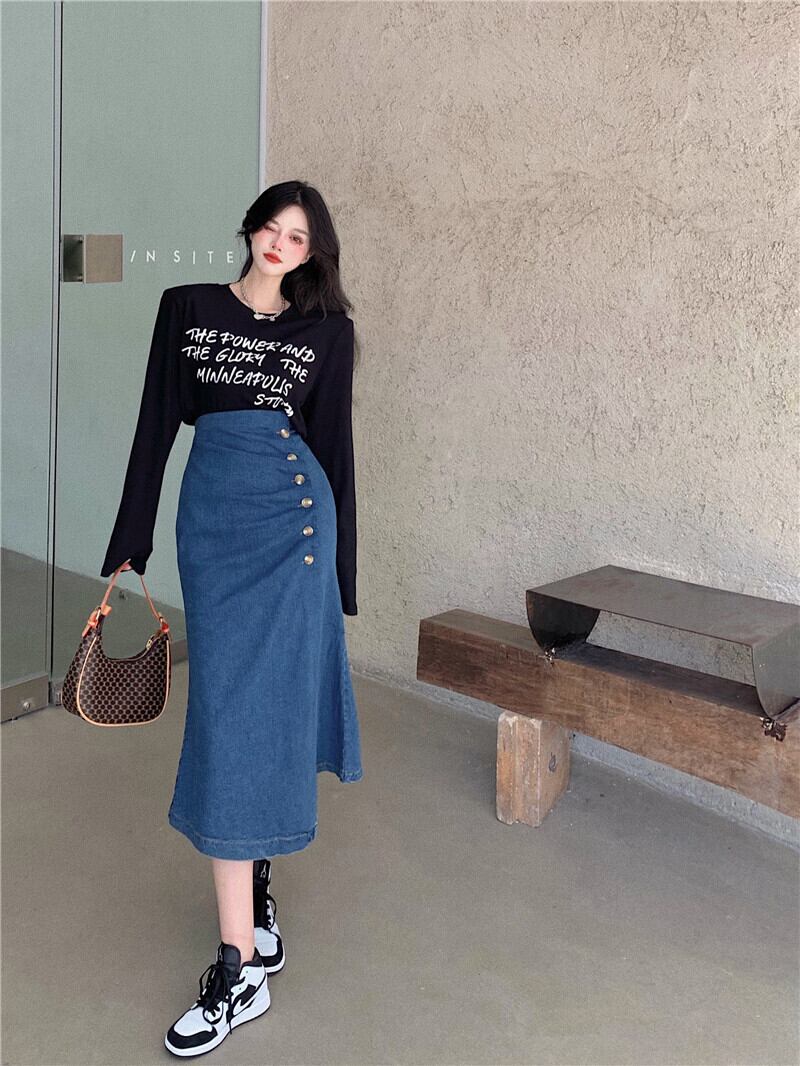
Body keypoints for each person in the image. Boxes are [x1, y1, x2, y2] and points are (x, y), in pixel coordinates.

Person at [100, 180, 364, 1057]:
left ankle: (238, 965)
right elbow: (155, 425)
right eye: (273, 227)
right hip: (214, 530)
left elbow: (333, 449)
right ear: (250, 229)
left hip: (294, 533)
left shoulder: (327, 333)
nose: (282, 243)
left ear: (313, 252)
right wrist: (131, 537)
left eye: (300, 236)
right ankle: (251, 901)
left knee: (261, 716)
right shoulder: (189, 308)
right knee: (226, 712)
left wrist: (341, 578)